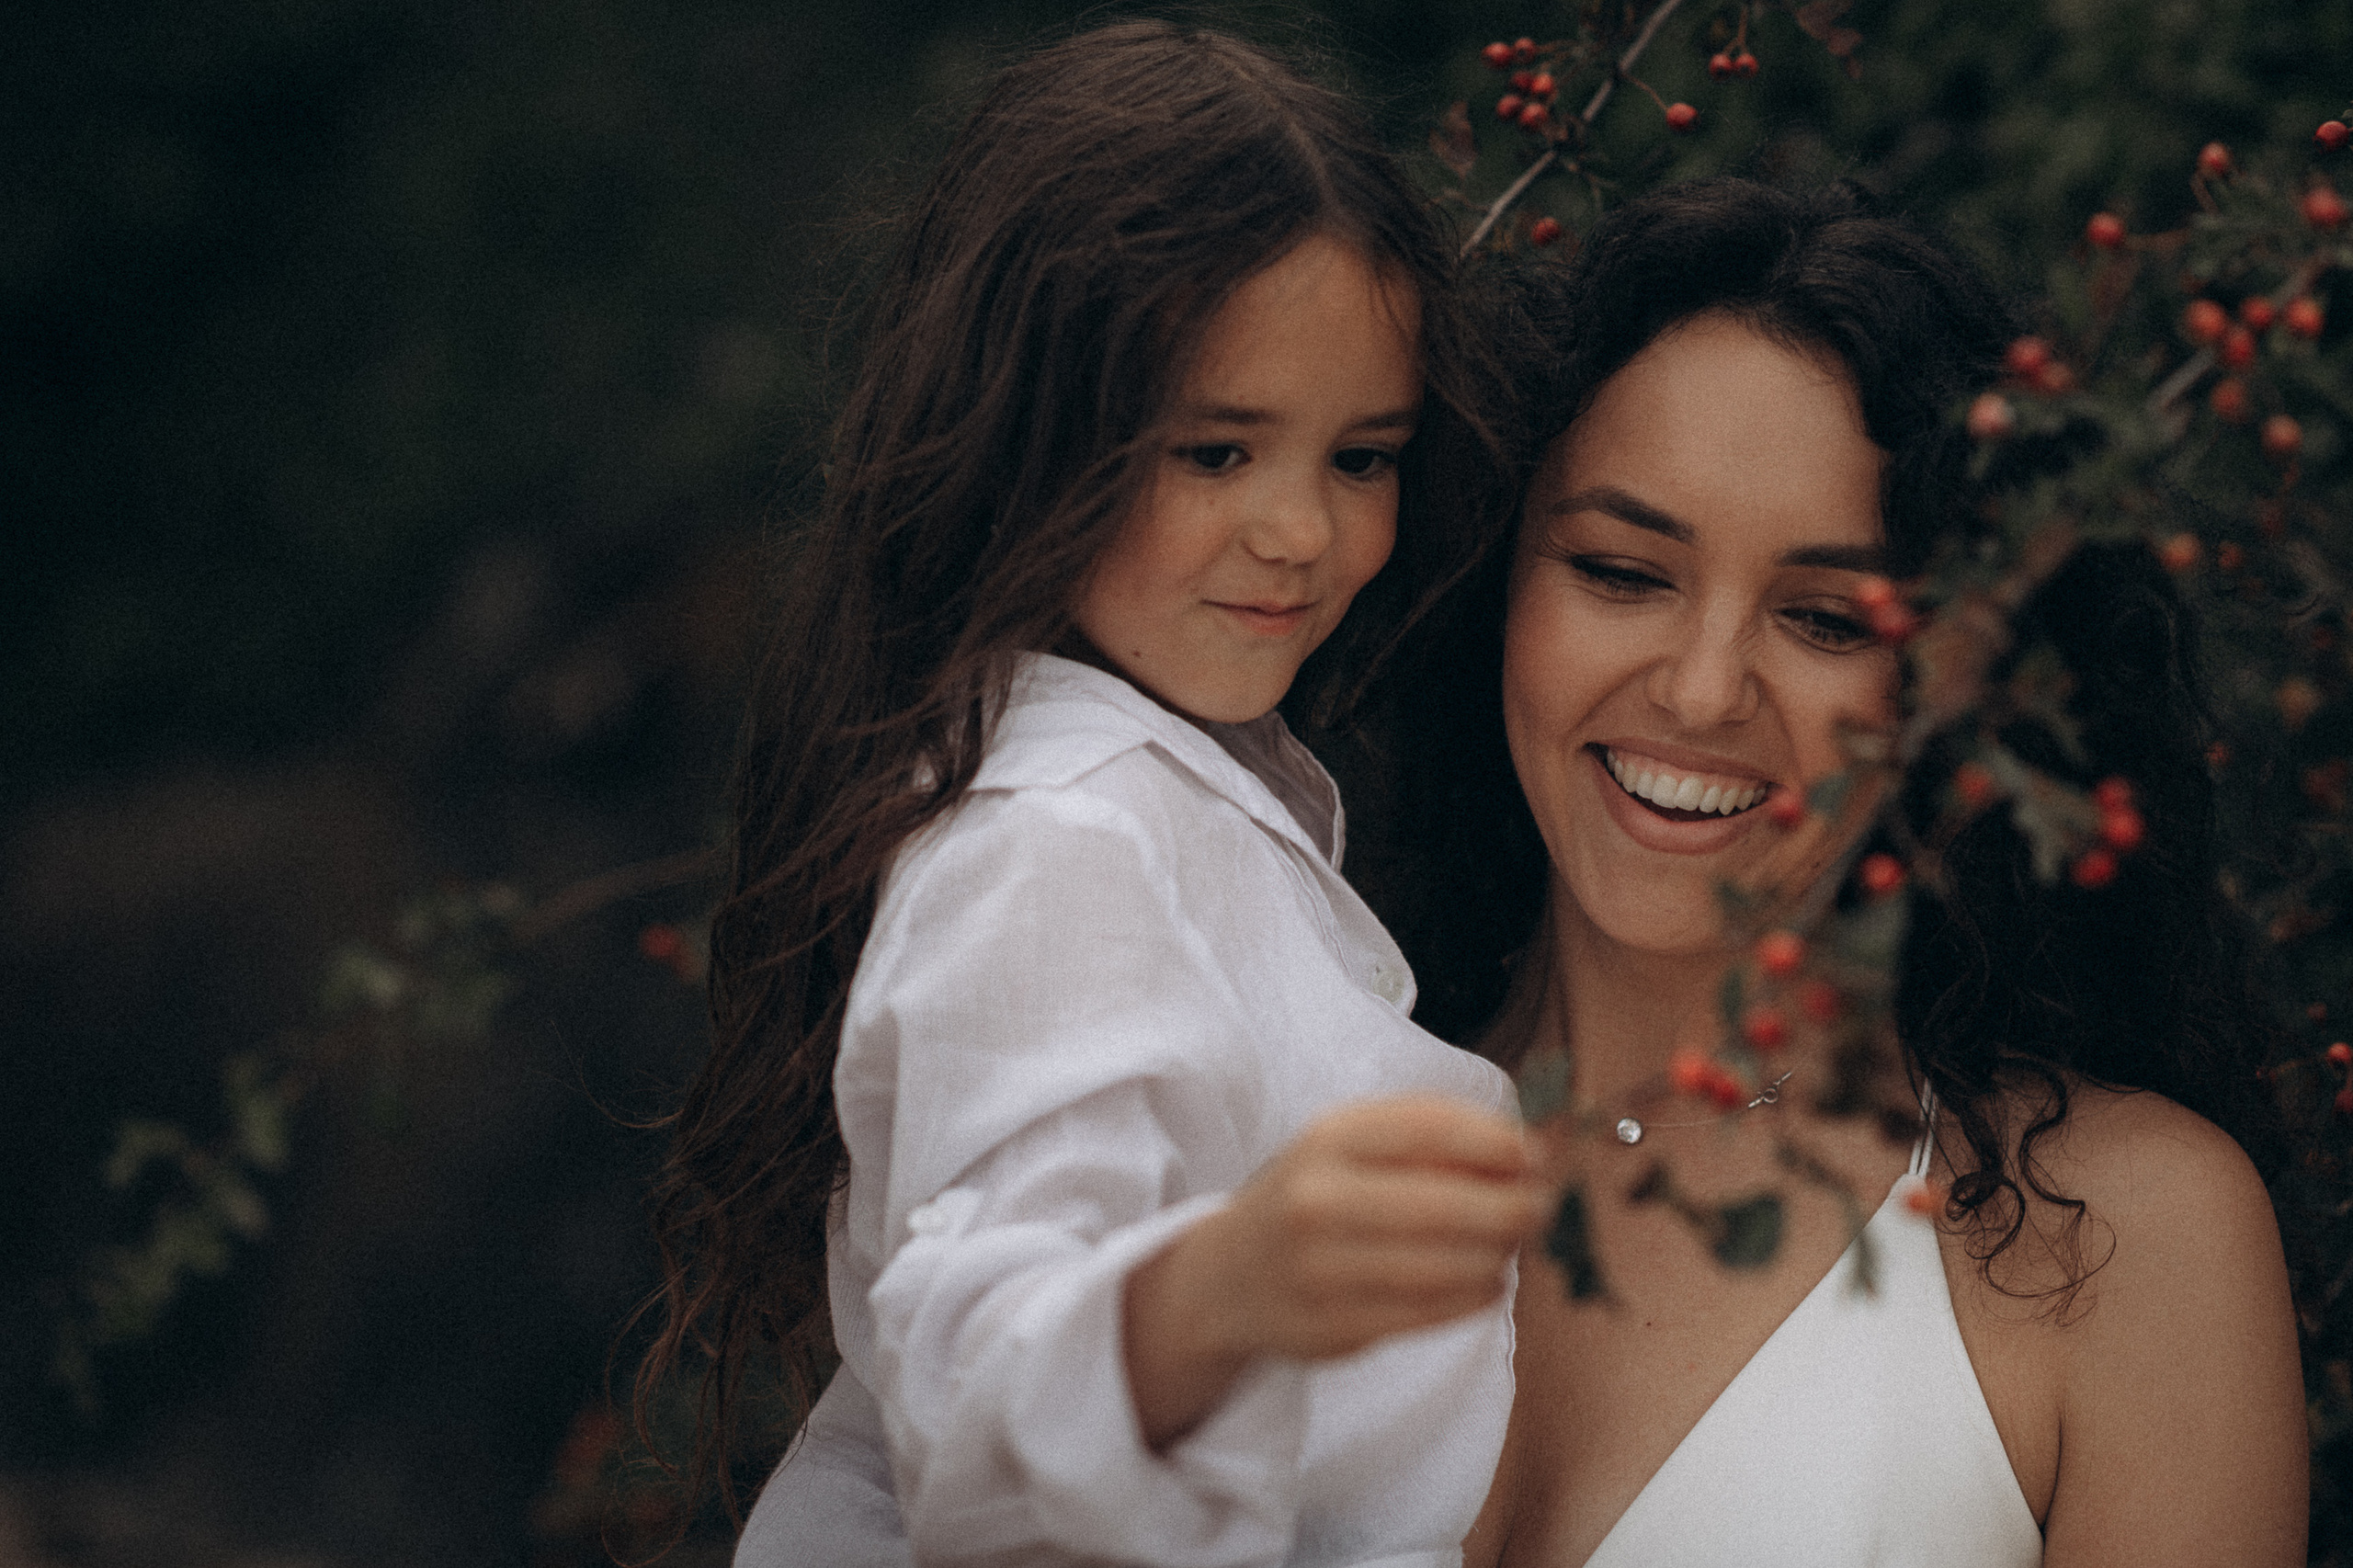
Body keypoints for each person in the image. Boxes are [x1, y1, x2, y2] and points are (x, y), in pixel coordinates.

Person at [636, 21, 1552, 1568]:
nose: (1299, 531)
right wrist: (1221, 1290)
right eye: (1215, 452)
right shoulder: (1062, 835)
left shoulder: (1177, 796)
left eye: (1361, 458)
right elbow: (984, 1373)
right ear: (1029, 434)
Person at [1383, 179, 2306, 1566]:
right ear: (1493, 582)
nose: (1702, 691)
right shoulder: (1272, 1121)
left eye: (1825, 618)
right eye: (1623, 572)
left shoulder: (2124, 1238)